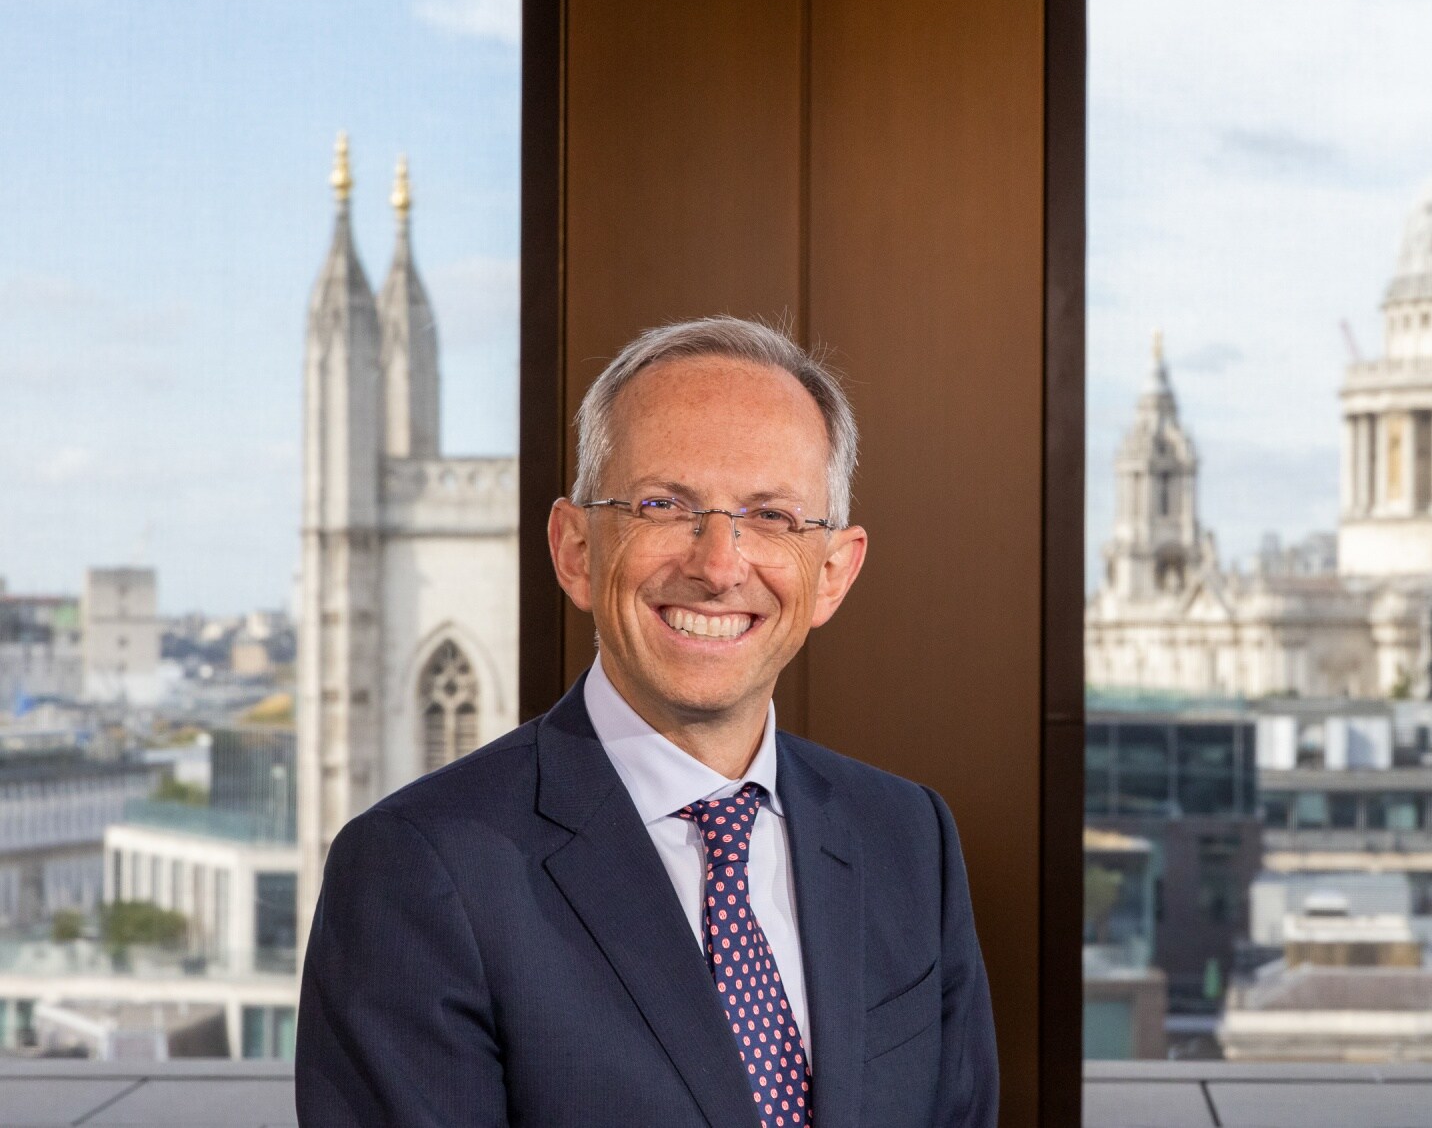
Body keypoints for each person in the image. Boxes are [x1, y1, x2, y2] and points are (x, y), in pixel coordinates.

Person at [296, 316, 1000, 1127]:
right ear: (575, 551)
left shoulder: (909, 837)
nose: (717, 563)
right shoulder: (415, 872)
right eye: (665, 505)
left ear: (834, 571)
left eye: (772, 516)